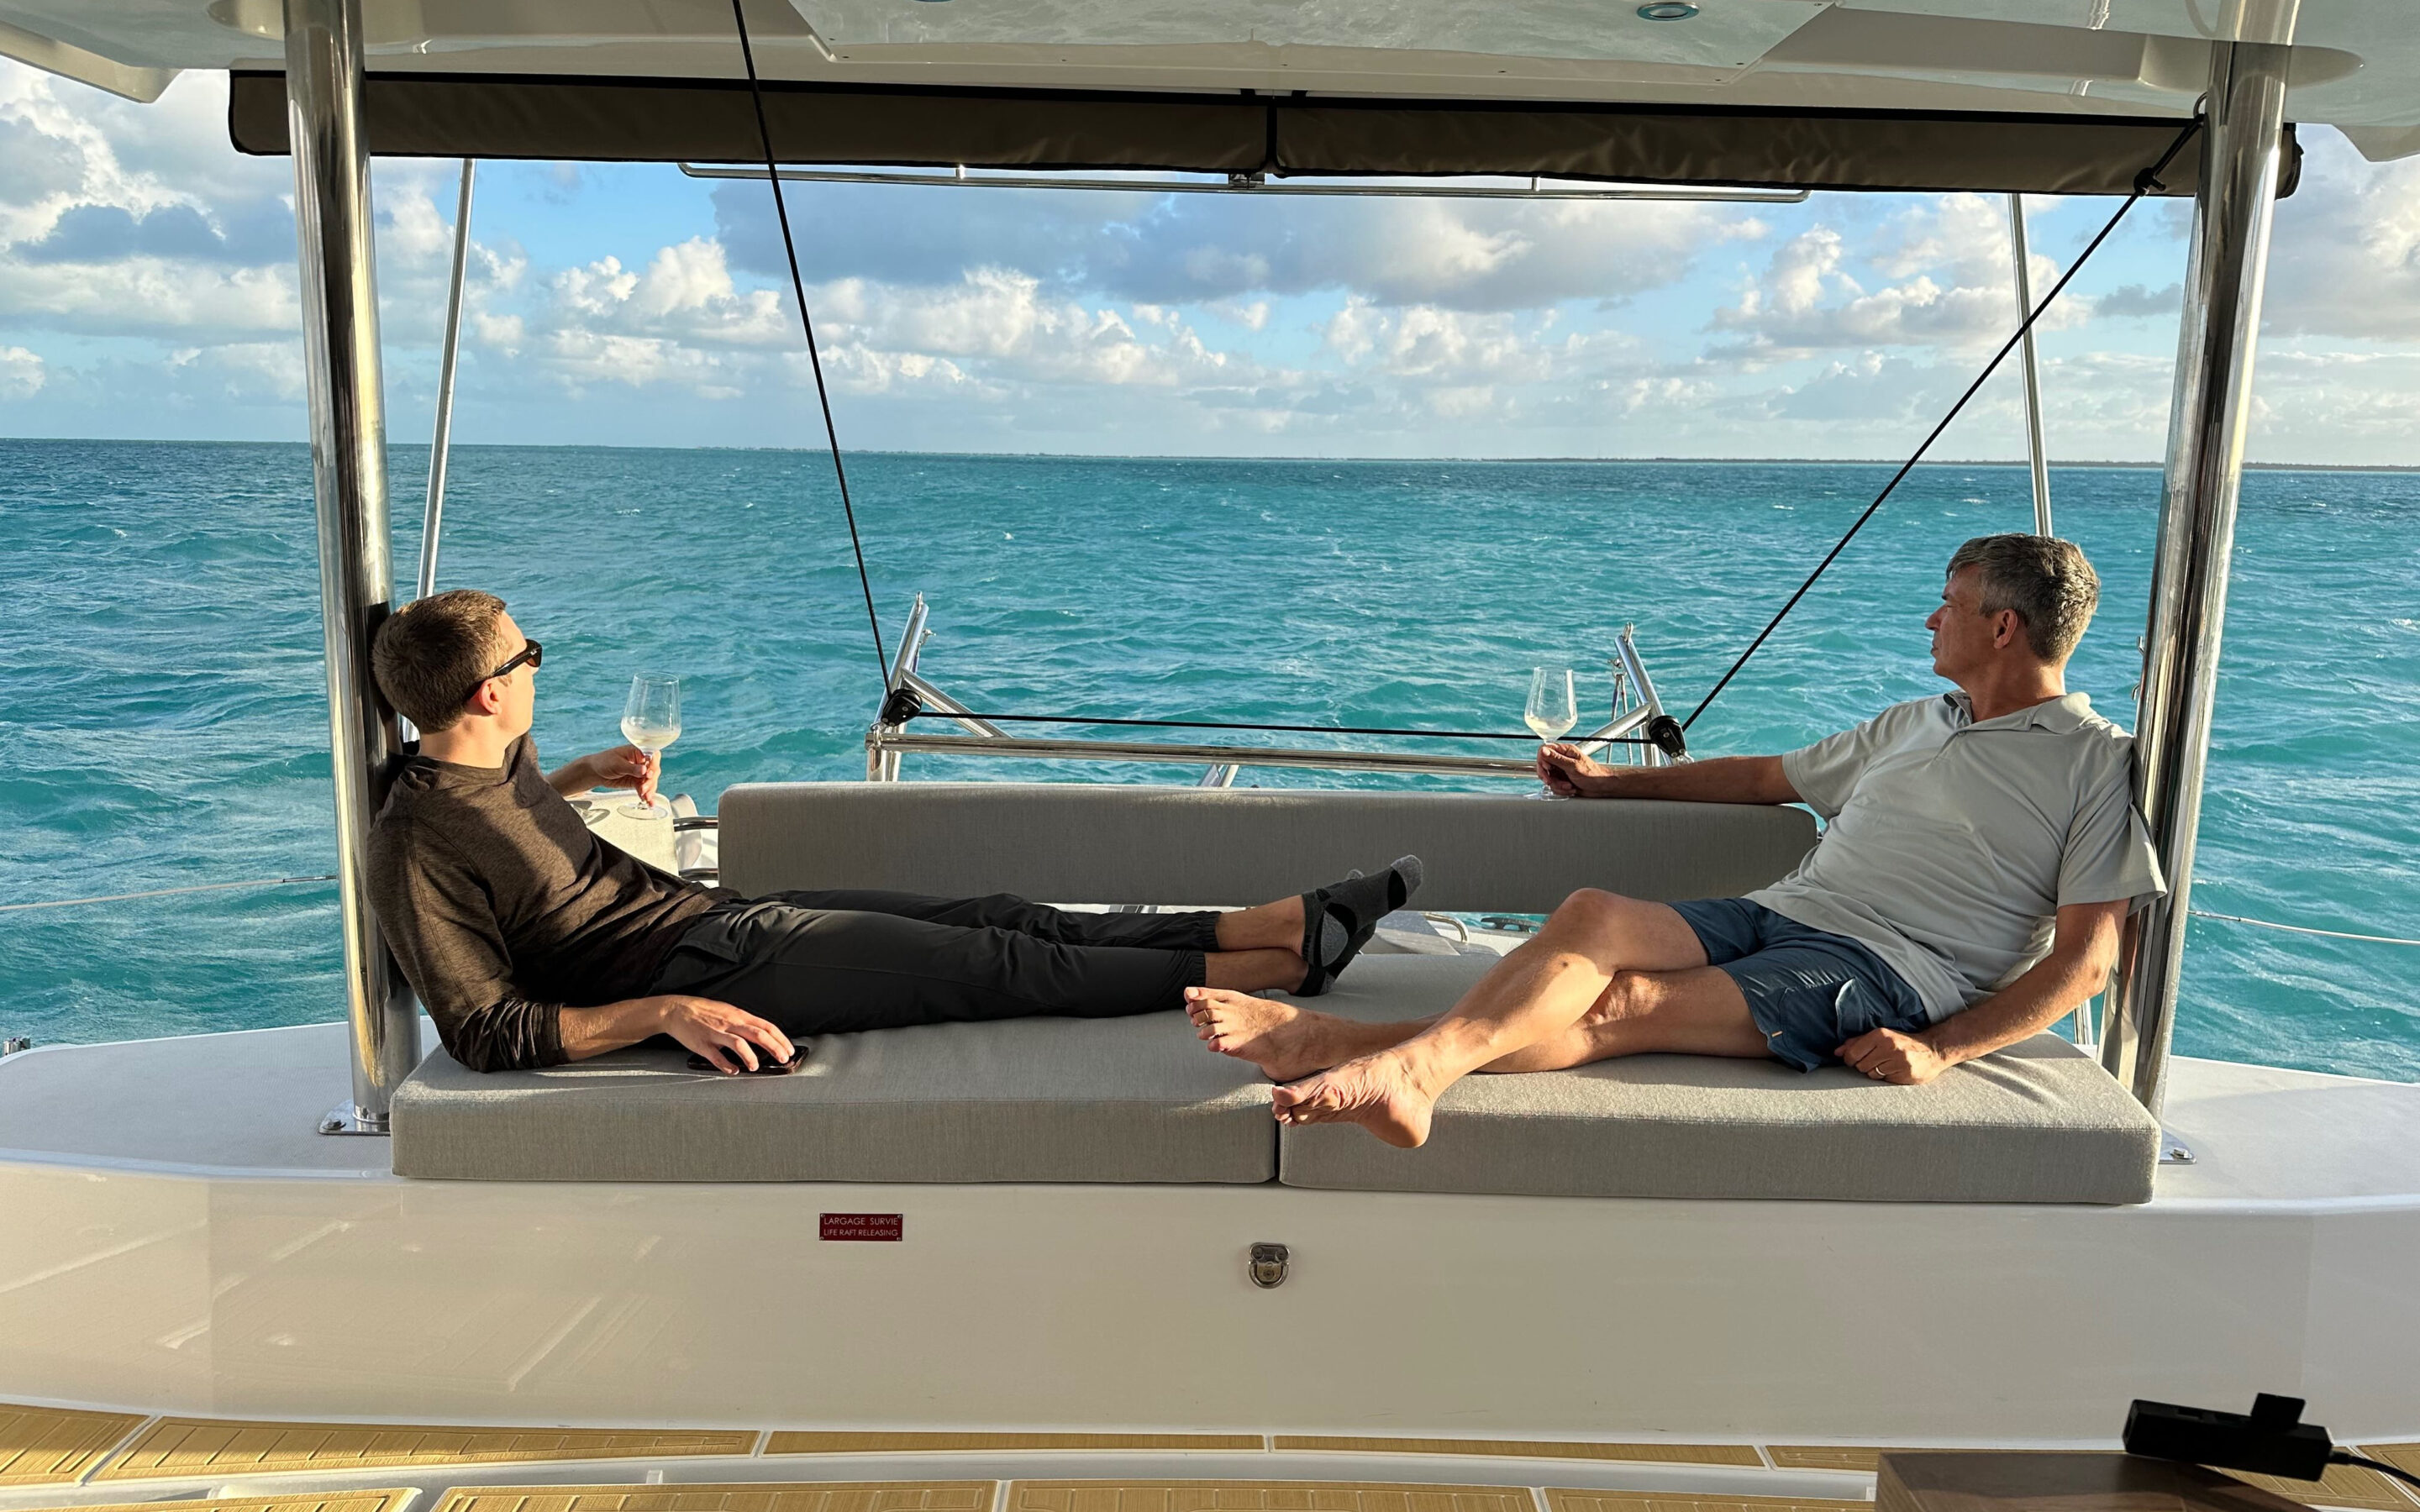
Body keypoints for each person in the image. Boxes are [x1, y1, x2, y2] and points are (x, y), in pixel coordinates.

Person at [1183, 533, 2165, 1148]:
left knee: (1627, 1003)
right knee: (1592, 916)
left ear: (2000, 627)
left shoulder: (2089, 762)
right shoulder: (1916, 722)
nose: (1929, 618)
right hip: (1785, 913)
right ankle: (1385, 1065)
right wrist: (1616, 783)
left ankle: (1364, 1057)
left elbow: (2087, 965)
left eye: (1946, 603)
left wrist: (1941, 1052)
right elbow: (1761, 778)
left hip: (1892, 972)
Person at [365, 589, 1422, 1074]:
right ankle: (1276, 975)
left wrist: (582, 769)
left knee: (1006, 912)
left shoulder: (490, 760)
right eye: (528, 656)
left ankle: (1278, 924)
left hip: (713, 917)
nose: (540, 666)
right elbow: (482, 1031)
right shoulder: (415, 842)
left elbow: (506, 826)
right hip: (700, 969)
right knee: (995, 961)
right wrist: (661, 1013)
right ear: (488, 695)